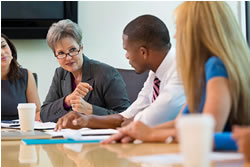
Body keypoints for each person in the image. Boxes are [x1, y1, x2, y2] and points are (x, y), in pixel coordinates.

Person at [102, 1, 250, 144]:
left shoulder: (216, 66)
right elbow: (181, 123)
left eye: (179, 28)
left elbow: (207, 134)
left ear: (197, 32)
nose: (175, 36)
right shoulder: (203, 71)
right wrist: (135, 131)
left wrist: (152, 134)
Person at [55, 15, 185, 130]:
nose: (126, 56)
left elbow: (146, 120)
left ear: (143, 52)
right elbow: (128, 115)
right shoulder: (155, 73)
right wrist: (85, 120)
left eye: (127, 50)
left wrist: (125, 121)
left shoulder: (181, 70)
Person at [40, 19, 130, 123]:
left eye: (72, 50)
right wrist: (67, 100)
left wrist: (90, 110)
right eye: (61, 53)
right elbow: (44, 114)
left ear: (81, 48)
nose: (68, 58)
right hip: (69, 136)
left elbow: (125, 117)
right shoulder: (60, 73)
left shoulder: (106, 73)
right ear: (55, 56)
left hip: (101, 137)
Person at [1, 33, 41, 121]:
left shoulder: (26, 75)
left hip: (21, 131)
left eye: (3, 46)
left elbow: (37, 112)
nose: (2, 52)